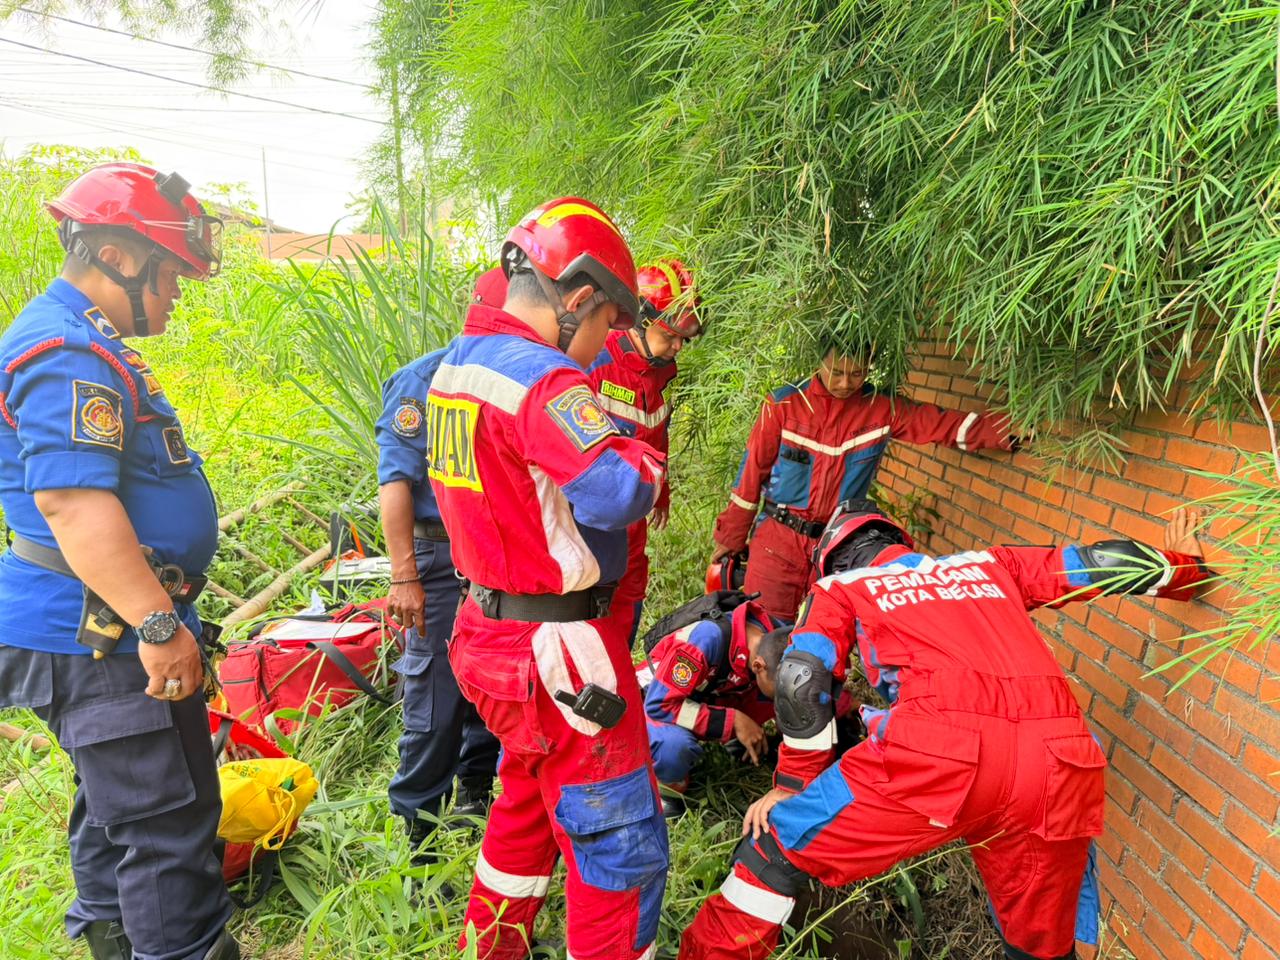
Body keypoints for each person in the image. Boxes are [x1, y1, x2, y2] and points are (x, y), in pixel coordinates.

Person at [679, 501, 1210, 960]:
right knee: (1040, 948)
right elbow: (1096, 565)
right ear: (899, 541)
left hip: (934, 755)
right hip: (1060, 761)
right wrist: (1186, 569)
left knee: (774, 855)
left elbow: (800, 679)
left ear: (832, 560)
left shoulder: (842, 587)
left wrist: (792, 786)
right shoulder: (989, 565)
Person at [0, 163, 238, 959]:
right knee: (166, 832)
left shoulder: (90, 343)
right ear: (121, 257)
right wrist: (161, 622)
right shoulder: (66, 350)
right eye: (172, 273)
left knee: (120, 811)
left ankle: (109, 937)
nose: (178, 292)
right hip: (100, 633)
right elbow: (74, 504)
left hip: (104, 626)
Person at [426, 197, 669, 960]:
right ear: (579, 299)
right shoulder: (545, 380)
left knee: (525, 807)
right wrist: (646, 453)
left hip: (488, 633)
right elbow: (619, 491)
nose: (603, 346)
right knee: (618, 843)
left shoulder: (457, 365)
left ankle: (489, 947)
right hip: (556, 650)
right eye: (606, 324)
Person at [711, 340, 1021, 620]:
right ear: (819, 362)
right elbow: (751, 476)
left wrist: (1003, 432)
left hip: (837, 547)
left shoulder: (880, 409)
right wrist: (731, 538)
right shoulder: (784, 405)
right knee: (762, 630)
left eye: (857, 374)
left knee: (824, 636)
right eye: (837, 372)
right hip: (777, 543)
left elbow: (938, 424)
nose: (846, 383)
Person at [377, 267, 507, 858]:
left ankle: (474, 789)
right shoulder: (423, 382)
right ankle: (418, 833)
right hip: (437, 555)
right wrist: (404, 573)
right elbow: (395, 483)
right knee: (435, 696)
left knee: (490, 681)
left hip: (495, 554)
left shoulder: (513, 380)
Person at [588, 258, 702, 640]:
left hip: (635, 517)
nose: (677, 348)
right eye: (671, 336)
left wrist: (661, 490)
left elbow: (658, 432)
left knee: (629, 601)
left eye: (684, 339)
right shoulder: (596, 362)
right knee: (591, 613)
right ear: (640, 318)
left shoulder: (664, 371)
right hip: (593, 520)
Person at [638, 600, 784, 815]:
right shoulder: (706, 639)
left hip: (709, 693)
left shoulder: (779, 636)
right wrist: (733, 720)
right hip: (653, 696)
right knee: (674, 747)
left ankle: (743, 738)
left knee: (778, 696)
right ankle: (667, 784)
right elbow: (660, 705)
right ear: (758, 666)